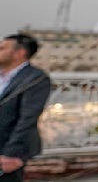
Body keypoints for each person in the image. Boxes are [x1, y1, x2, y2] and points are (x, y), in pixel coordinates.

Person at [0, 34, 51, 181]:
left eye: (2, 48)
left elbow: (27, 119)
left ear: (19, 53)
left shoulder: (35, 78)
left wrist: (11, 153)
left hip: (7, 147)